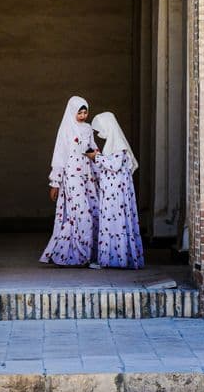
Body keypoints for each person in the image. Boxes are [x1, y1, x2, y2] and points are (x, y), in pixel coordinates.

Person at [39, 95, 99, 266]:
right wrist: (55, 183)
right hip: (72, 176)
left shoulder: (88, 129)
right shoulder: (66, 129)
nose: (82, 116)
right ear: (72, 112)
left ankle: (84, 255)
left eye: (85, 112)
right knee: (80, 213)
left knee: (90, 210)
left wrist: (101, 170)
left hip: (86, 175)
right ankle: (76, 254)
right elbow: (59, 156)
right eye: (79, 112)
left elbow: (92, 149)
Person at [90, 111, 144, 269]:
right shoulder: (111, 145)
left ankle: (118, 260)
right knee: (110, 223)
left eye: (101, 129)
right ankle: (109, 259)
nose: (100, 133)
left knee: (117, 222)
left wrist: (96, 157)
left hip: (116, 194)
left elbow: (114, 165)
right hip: (110, 193)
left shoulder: (119, 145)